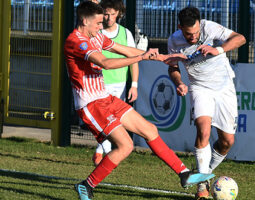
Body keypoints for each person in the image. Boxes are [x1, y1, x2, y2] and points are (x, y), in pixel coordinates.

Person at [64, 2, 213, 200]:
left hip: (106, 99)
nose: (102, 26)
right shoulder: (76, 41)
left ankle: (184, 174)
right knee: (125, 146)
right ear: (84, 20)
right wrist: (141, 57)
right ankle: (86, 185)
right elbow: (106, 63)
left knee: (150, 130)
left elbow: (125, 51)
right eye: (98, 23)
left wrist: (161, 57)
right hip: (91, 105)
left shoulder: (96, 36)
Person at [167, 6, 246, 200]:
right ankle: (202, 186)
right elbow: (173, 68)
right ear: (180, 27)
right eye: (187, 34)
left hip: (224, 87)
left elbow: (241, 38)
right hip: (199, 87)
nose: (192, 38)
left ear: (199, 26)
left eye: (194, 34)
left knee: (227, 141)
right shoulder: (173, 41)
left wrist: (217, 49)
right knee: (203, 130)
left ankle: (204, 172)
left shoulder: (209, 28)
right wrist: (179, 83)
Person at [91, 0, 139, 167]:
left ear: (119, 13)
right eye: (106, 13)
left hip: (120, 85)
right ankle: (106, 154)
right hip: (99, 84)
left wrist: (134, 85)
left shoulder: (126, 34)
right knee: (105, 121)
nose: (109, 17)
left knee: (114, 122)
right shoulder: (95, 32)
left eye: (112, 14)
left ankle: (101, 149)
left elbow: (134, 60)